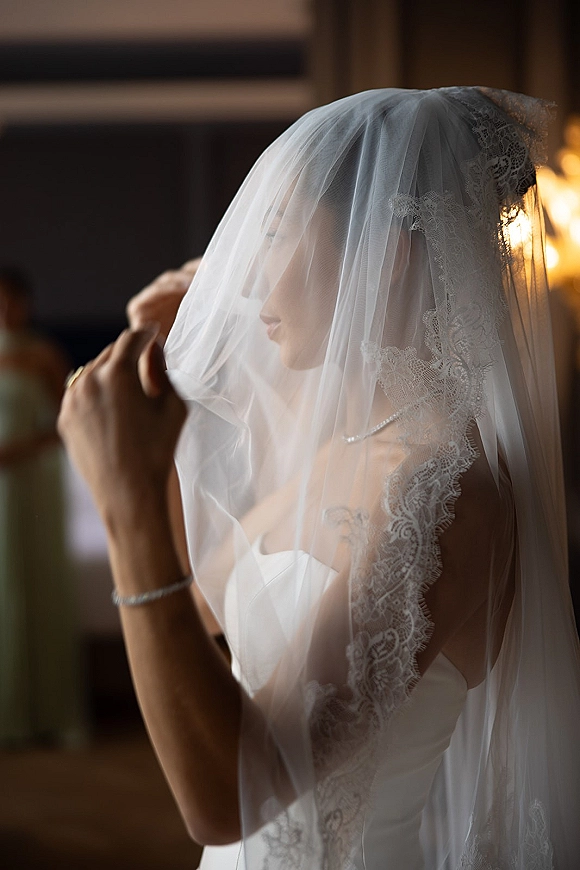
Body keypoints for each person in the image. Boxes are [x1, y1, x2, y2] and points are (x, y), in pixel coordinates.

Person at [59, 88, 580, 869]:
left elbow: (223, 798)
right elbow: (202, 612)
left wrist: (125, 502)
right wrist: (158, 438)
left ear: (384, 254)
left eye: (274, 234)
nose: (244, 276)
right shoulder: (345, 446)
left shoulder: (444, 495)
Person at [0, 267, 85, 746]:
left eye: (10, 301)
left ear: (25, 304)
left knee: (30, 578)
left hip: (29, 482)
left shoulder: (41, 356)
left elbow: (67, 422)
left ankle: (46, 710)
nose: (4, 311)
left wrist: (20, 449)